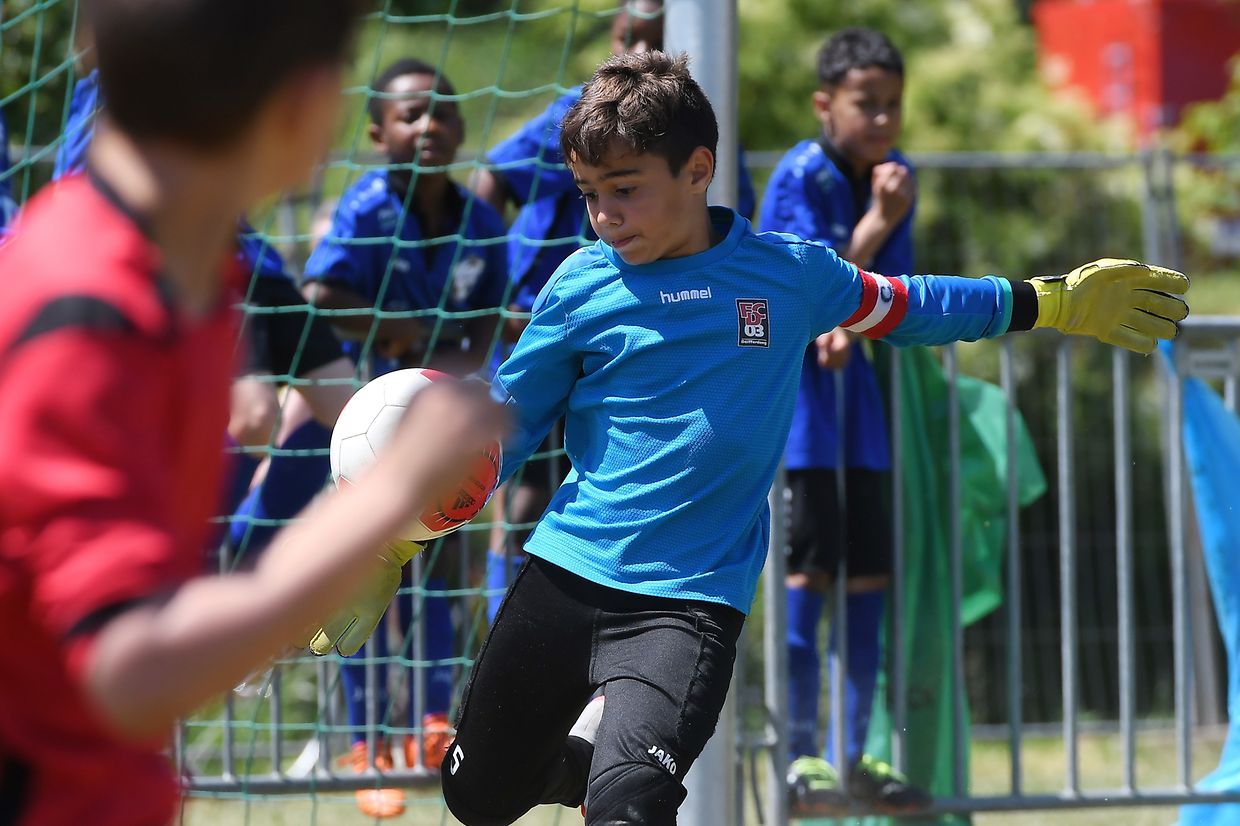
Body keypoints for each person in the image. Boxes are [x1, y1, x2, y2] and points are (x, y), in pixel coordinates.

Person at [436, 50, 1188, 826]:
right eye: (590, 195)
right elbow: (510, 422)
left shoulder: (785, 277)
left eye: (625, 190)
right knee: (475, 795)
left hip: (687, 605)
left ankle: (619, 765)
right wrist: (405, 532)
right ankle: (593, 756)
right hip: (566, 573)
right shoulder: (580, 284)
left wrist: (1048, 302)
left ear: (698, 170)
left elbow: (908, 305)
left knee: (630, 808)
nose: (605, 216)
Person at [0, 1, 509, 825]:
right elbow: (123, 674)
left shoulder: (195, 282)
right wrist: (381, 504)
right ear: (306, 108)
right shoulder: (84, 309)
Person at [475, 0, 759, 622]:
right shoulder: (586, 121)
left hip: (646, 348)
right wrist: (484, 289)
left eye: (651, 40)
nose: (604, 211)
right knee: (521, 499)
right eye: (627, 37)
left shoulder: (692, 136)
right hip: (550, 331)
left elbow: (739, 235)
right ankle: (509, 636)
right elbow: (493, 178)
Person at [49, 34, 361, 557]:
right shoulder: (125, 89)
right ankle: (200, 556)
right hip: (179, 254)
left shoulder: (233, 71)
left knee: (346, 411)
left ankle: (243, 551)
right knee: (254, 416)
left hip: (243, 253)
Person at [302, 56, 508, 817]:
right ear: (376, 131)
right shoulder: (365, 209)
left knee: (442, 571)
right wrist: (399, 332)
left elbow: (490, 310)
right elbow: (321, 289)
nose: (429, 127)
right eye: (410, 115)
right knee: (361, 579)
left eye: (442, 113)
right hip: (368, 436)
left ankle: (428, 723)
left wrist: (454, 381)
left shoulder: (479, 219)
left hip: (445, 430)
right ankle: (365, 740)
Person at [758, 27, 929, 814]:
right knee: (808, 574)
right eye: (868, 104)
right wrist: (876, 224)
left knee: (868, 577)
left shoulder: (898, 179)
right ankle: (799, 760)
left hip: (864, 416)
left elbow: (896, 295)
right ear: (827, 105)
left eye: (894, 104)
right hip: (804, 420)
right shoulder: (801, 173)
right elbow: (811, 293)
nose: (885, 120)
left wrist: (889, 225)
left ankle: (856, 755)